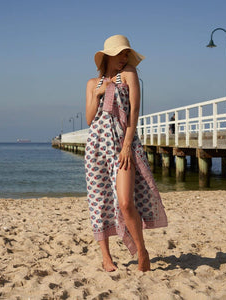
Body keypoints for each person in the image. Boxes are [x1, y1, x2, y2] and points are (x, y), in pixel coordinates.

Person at [85, 35, 168, 272]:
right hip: (97, 147)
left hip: (123, 144)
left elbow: (135, 112)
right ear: (109, 55)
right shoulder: (92, 83)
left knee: (124, 202)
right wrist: (99, 93)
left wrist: (127, 145)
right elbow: (90, 118)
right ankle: (106, 257)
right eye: (121, 54)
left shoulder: (129, 74)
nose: (124, 58)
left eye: (126, 54)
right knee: (98, 201)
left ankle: (142, 251)